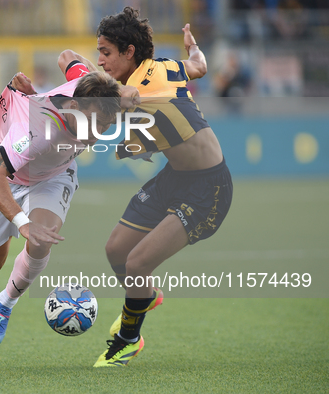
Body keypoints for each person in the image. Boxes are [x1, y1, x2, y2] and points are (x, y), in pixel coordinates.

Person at [0, 62, 122, 370]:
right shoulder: (40, 130)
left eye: (103, 126)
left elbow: (68, 56)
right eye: (90, 122)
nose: (95, 133)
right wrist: (21, 222)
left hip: (54, 176)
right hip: (7, 181)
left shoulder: (90, 88)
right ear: (72, 106)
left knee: (43, 239)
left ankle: (5, 305)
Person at [86, 7, 233, 367]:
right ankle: (145, 296)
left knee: (136, 263)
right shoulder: (164, 65)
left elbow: (111, 105)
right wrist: (193, 46)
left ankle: (128, 339)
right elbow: (197, 66)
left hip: (208, 189)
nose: (101, 60)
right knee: (116, 250)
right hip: (174, 177)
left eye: (106, 52)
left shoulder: (138, 88)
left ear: (128, 52)